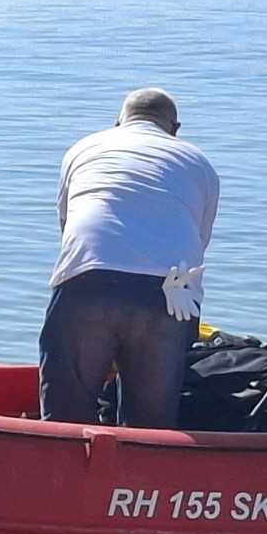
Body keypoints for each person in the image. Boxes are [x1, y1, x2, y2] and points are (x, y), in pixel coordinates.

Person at [39, 88, 219, 429]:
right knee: (150, 428)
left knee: (65, 420)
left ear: (118, 121)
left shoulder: (84, 148)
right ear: (175, 129)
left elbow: (67, 225)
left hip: (90, 276)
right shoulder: (198, 162)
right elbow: (199, 242)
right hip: (170, 292)